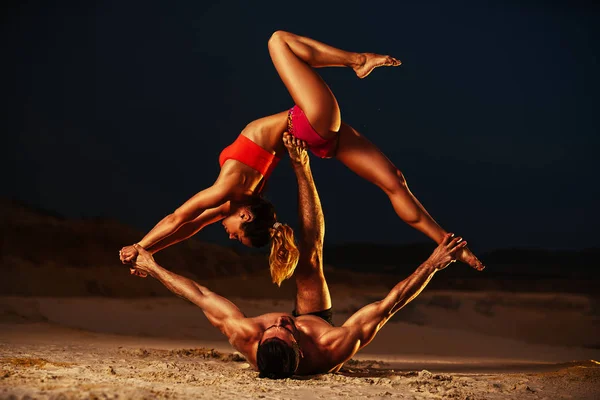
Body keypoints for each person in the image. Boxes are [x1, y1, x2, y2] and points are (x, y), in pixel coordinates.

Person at [120, 30, 483, 288]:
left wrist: (146, 249)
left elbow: (185, 225)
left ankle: (450, 244)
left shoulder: (234, 196)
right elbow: (180, 220)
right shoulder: (232, 190)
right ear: (246, 216)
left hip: (317, 134)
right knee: (278, 41)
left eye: (236, 239)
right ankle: (357, 61)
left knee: (394, 183)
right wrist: (142, 248)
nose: (228, 235)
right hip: (307, 121)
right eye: (237, 237)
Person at [126, 135, 473, 378]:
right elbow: (388, 305)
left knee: (294, 258)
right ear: (301, 349)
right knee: (311, 256)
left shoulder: (245, 336)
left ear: (259, 344)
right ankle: (302, 166)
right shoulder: (331, 346)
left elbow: (199, 295)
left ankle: (299, 164)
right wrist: (433, 263)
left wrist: (151, 265)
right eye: (285, 330)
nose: (279, 321)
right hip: (317, 319)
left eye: (271, 330)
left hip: (276, 343)